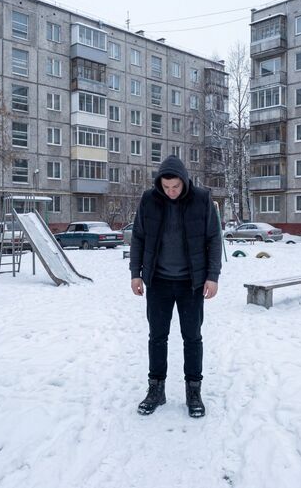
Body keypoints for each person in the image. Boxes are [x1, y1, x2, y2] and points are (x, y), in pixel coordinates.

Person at [130, 155, 222, 418]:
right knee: (157, 337)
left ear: (184, 181)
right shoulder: (149, 199)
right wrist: (135, 274)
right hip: (158, 282)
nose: (171, 192)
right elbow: (138, 237)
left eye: (176, 187)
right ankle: (156, 390)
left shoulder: (202, 199)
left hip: (191, 283)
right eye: (166, 187)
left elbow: (214, 238)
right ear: (160, 184)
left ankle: (193, 391)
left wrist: (213, 276)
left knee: (192, 337)